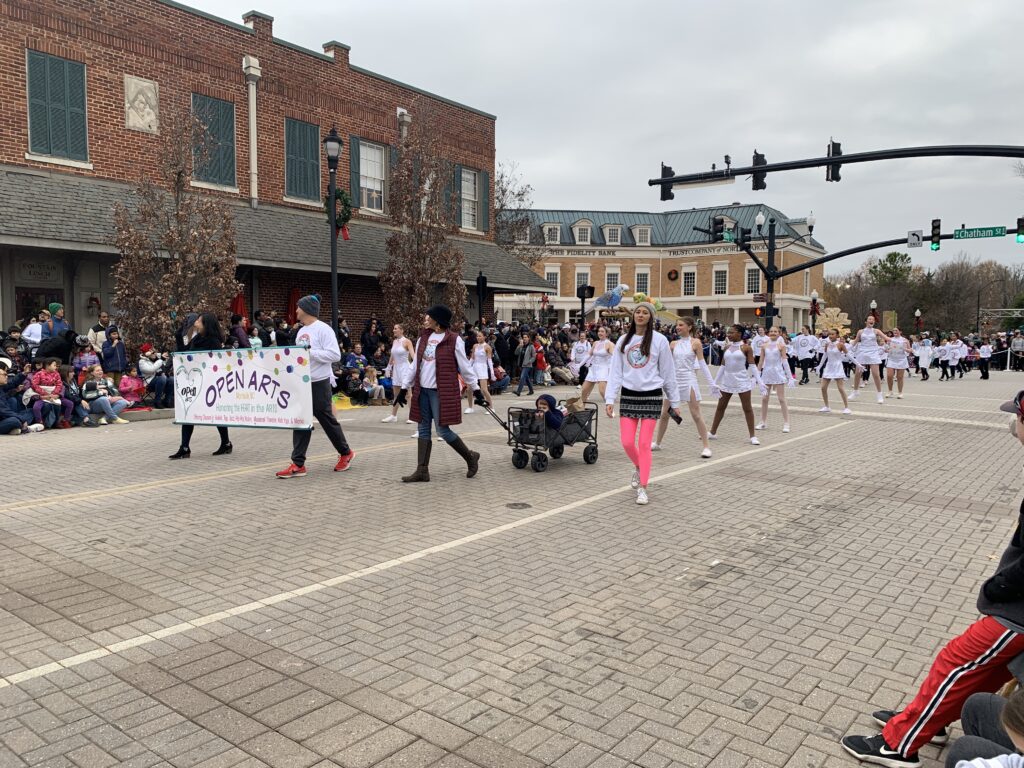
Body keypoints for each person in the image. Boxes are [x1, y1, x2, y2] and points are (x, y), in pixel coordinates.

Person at [840, 388, 1024, 768]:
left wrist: (999, 587)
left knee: (956, 662)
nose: (1013, 423)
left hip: (1018, 609)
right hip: (1015, 607)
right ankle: (930, 720)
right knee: (981, 671)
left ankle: (897, 745)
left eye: (1017, 417)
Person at [400, 304, 491, 483]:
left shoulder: (453, 339)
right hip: (422, 391)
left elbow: (465, 367)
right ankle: (422, 471)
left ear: (438, 321)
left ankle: (470, 457)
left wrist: (477, 390)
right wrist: (404, 388)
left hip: (440, 392)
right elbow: (415, 365)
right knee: (423, 428)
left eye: (429, 317)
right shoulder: (423, 337)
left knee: (442, 430)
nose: (426, 319)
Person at [604, 302, 680, 506]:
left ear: (650, 317)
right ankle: (640, 467)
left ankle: (643, 488)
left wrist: (674, 401)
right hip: (629, 395)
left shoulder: (660, 340)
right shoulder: (623, 340)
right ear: (633, 315)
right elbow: (615, 372)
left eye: (645, 312)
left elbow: (667, 372)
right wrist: (610, 399)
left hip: (652, 395)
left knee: (644, 444)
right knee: (627, 442)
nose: (640, 315)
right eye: (638, 311)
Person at [276, 295, 355, 478]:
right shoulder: (301, 330)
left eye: (298, 307)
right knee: (301, 420)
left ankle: (346, 453)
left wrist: (311, 353)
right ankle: (298, 463)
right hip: (303, 382)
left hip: (319, 381)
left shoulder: (323, 329)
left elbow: (335, 355)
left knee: (326, 419)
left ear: (307, 309)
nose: (296, 310)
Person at [169, 313, 231, 459]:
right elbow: (185, 353)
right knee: (188, 412)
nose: (195, 321)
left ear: (206, 324)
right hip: (194, 380)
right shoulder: (198, 337)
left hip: (208, 382)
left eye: (199, 320)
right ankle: (184, 447)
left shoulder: (213, 341)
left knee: (215, 414)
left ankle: (226, 443)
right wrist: (179, 334)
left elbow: (214, 362)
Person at [653, 317, 716, 458]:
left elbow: (702, 364)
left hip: (689, 380)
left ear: (689, 327)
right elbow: (664, 363)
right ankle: (657, 443)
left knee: (696, 414)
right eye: (677, 325)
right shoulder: (673, 344)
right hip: (673, 381)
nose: (678, 327)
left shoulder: (696, 343)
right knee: (665, 413)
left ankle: (706, 447)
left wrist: (711, 383)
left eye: (681, 325)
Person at [708, 325, 767, 445]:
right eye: (728, 332)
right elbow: (723, 366)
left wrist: (759, 382)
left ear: (739, 333)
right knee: (720, 407)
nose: (728, 334)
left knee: (747, 408)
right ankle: (713, 432)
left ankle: (752, 436)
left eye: (731, 332)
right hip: (727, 380)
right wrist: (714, 382)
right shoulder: (727, 347)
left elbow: (752, 366)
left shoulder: (746, 348)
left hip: (742, 380)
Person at [756, 327, 794, 433]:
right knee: (764, 399)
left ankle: (786, 423)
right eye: (771, 331)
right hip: (767, 374)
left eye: (775, 331)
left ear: (779, 334)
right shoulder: (764, 345)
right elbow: (761, 361)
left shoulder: (781, 346)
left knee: (781, 399)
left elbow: (785, 361)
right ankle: (763, 421)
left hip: (778, 373)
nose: (773, 333)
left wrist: (790, 377)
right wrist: (757, 375)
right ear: (769, 333)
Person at [382, 324, 415, 424]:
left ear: (401, 330)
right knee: (396, 393)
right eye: (394, 328)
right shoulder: (395, 341)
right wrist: (388, 367)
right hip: (396, 369)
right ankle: (393, 416)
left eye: (395, 329)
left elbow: (413, 355)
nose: (393, 330)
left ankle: (413, 416)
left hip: (405, 368)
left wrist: (416, 365)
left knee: (408, 394)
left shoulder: (407, 341)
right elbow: (392, 355)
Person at [851, 316, 887, 404]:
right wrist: (846, 348)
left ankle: (879, 394)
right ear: (866, 321)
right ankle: (855, 392)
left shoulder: (876, 331)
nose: (871, 321)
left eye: (873, 320)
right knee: (857, 374)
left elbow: (886, 338)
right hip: (862, 352)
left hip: (873, 352)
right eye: (870, 319)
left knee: (876, 374)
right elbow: (855, 342)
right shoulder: (860, 331)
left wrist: (897, 341)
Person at [31, 357, 74, 428]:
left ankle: (64, 420)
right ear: (48, 365)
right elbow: (34, 385)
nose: (56, 367)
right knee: (36, 407)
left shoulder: (56, 374)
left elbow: (59, 384)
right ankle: (39, 422)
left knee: (69, 404)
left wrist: (55, 394)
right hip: (42, 396)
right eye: (54, 365)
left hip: (54, 395)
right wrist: (45, 394)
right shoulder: (39, 374)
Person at [817, 329, 852, 414]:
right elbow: (824, 356)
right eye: (830, 334)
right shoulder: (827, 344)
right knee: (823, 387)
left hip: (837, 366)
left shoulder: (841, 345)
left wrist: (858, 365)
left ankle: (847, 407)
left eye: (832, 334)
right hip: (829, 367)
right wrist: (819, 366)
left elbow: (849, 355)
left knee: (840, 388)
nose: (830, 336)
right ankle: (827, 406)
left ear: (837, 335)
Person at [581, 326, 614, 404]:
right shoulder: (596, 343)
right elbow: (589, 355)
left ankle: (610, 410)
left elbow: (614, 357)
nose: (600, 333)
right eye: (599, 331)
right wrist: (578, 365)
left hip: (604, 368)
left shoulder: (610, 344)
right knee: (584, 390)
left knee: (602, 391)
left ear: (607, 334)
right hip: (593, 368)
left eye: (602, 331)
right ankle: (581, 411)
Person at [465, 330, 493, 414]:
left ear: (484, 337)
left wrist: (492, 373)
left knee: (484, 389)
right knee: (469, 388)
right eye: (477, 336)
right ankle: (470, 407)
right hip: (474, 368)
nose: (478, 337)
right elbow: (472, 358)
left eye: (480, 336)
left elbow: (489, 361)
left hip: (482, 368)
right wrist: (467, 368)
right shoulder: (475, 346)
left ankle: (491, 407)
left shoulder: (487, 347)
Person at [139, 343, 173, 408]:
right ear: (147, 353)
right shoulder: (142, 361)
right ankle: (157, 401)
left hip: (161, 382)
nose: (155, 353)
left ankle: (167, 401)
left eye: (154, 352)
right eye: (152, 352)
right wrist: (161, 360)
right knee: (162, 378)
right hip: (149, 384)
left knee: (171, 379)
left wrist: (163, 360)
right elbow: (151, 369)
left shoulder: (157, 359)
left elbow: (165, 368)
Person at [885, 329, 912, 399]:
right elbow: (886, 348)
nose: (895, 332)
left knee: (899, 377)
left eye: (896, 330)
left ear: (900, 331)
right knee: (889, 376)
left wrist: (906, 349)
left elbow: (910, 351)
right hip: (891, 359)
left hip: (901, 360)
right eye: (894, 331)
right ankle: (890, 391)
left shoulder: (905, 340)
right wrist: (886, 350)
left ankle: (900, 393)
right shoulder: (890, 339)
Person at [513, 331, 536, 397]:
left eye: (526, 337)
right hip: (521, 364)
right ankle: (531, 390)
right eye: (523, 337)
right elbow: (516, 353)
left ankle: (518, 391)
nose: (524, 338)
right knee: (526, 378)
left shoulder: (531, 346)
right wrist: (519, 346)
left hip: (527, 365)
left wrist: (529, 361)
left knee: (522, 377)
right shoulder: (521, 345)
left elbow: (534, 356)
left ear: (529, 338)